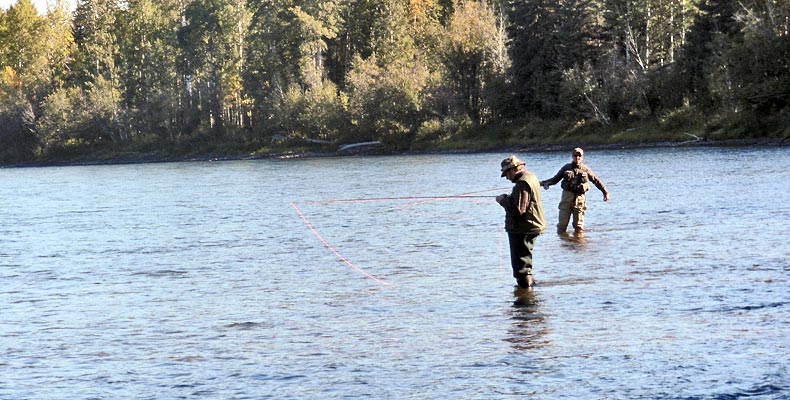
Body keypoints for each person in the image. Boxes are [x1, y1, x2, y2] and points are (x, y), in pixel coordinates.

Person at [496, 155, 547, 288]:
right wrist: (509, 198)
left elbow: (519, 210)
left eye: (506, 174)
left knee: (521, 267)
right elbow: (522, 203)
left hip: (523, 228)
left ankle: (525, 301)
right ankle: (528, 292)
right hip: (529, 226)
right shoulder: (531, 176)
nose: (506, 177)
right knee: (524, 264)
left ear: (513, 169)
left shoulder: (523, 183)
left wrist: (502, 201)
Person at [540, 147, 610, 234]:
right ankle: (562, 244)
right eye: (575, 156)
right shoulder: (566, 167)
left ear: (582, 157)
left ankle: (579, 245)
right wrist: (541, 183)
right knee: (562, 226)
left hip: (580, 200)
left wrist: (605, 192)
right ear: (572, 157)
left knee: (579, 227)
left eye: (579, 156)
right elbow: (554, 180)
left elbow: (596, 180)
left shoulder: (585, 169)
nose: (577, 158)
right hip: (566, 199)